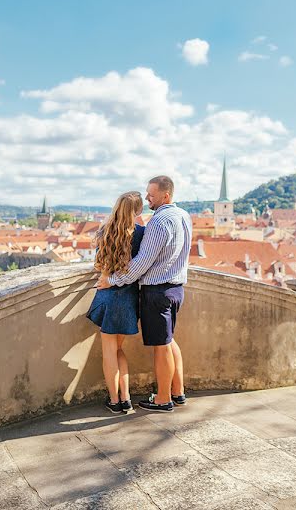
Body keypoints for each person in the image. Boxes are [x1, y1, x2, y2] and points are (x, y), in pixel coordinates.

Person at [97, 175, 192, 413]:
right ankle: (177, 392)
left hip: (156, 291)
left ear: (166, 195)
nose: (148, 197)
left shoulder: (158, 223)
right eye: (147, 195)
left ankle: (162, 399)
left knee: (161, 346)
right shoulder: (183, 215)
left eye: (152, 194)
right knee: (169, 341)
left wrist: (112, 280)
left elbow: (141, 264)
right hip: (176, 287)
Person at [88, 191, 145, 414]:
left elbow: (98, 265)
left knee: (110, 351)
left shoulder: (104, 231)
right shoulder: (141, 234)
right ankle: (127, 399)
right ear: (138, 210)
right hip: (129, 297)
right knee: (119, 349)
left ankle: (114, 400)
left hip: (107, 295)